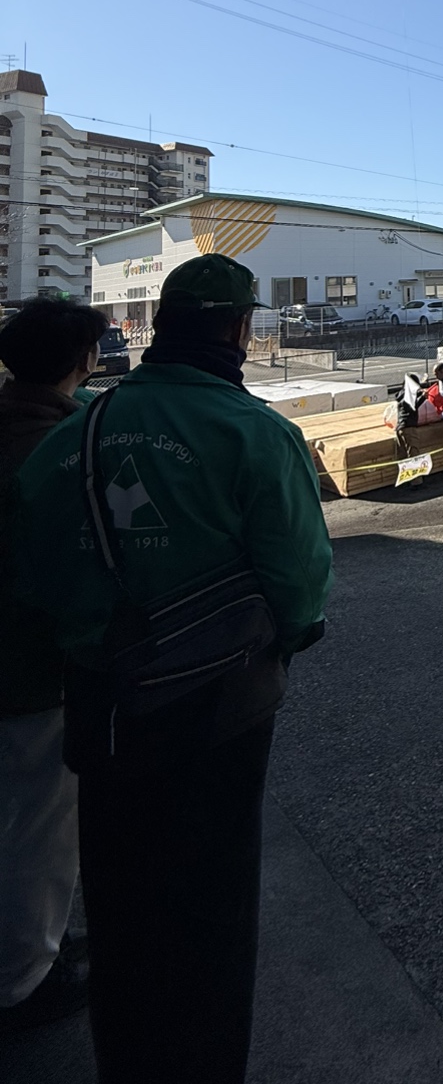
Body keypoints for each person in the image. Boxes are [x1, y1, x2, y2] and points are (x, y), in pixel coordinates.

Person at [10, 254, 333, 1084]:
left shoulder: (73, 431)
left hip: (99, 698)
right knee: (209, 898)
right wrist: (287, 642)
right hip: (218, 701)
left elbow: (30, 563)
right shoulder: (255, 432)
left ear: (158, 326)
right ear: (238, 328)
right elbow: (300, 580)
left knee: (119, 892)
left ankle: (126, 1056)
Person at [0, 300, 106, 1034]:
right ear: (83, 362)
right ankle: (25, 979)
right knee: (40, 824)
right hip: (31, 667)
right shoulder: (63, 449)